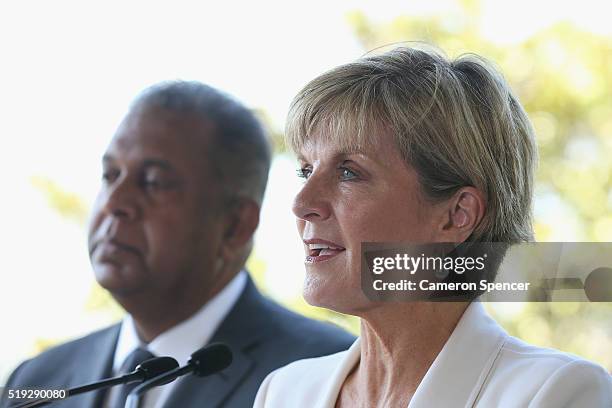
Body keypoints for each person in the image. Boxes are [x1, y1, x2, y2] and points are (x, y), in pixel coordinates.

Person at [254, 47, 612, 407]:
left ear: (457, 215)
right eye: (305, 170)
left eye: (349, 172)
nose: (302, 204)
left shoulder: (556, 392)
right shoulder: (283, 392)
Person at [1, 81, 354, 408]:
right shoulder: (36, 381)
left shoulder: (327, 375)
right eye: (110, 176)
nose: (115, 202)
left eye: (153, 182)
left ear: (235, 225)